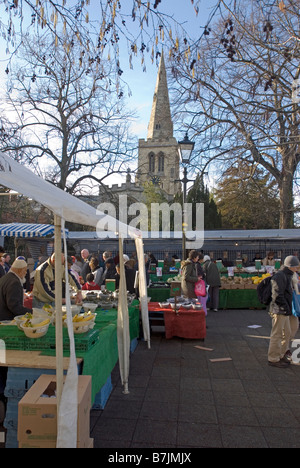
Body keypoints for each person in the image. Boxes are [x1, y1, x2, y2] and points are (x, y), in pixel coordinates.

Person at [0, 257, 33, 422]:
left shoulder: (6, 277)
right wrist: (30, 312)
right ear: (21, 270)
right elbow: (14, 306)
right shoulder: (13, 282)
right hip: (7, 325)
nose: (26, 274)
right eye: (25, 271)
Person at [268, 255, 300, 368]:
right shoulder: (281, 276)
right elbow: (277, 294)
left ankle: (281, 355)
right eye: (296, 267)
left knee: (286, 333)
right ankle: (273, 358)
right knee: (276, 335)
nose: (297, 269)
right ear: (291, 266)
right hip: (279, 310)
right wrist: (285, 307)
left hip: (284, 310)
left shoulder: (287, 275)